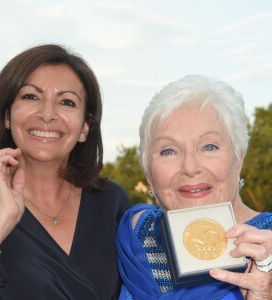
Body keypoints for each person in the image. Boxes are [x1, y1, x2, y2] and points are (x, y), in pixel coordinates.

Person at [0, 44, 131, 299]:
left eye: (66, 102)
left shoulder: (111, 202)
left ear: (84, 128)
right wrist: (0, 222)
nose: (47, 114)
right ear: (6, 116)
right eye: (31, 97)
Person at [116, 75, 272, 299]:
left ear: (239, 159)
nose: (190, 167)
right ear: (148, 172)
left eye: (209, 146)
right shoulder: (134, 235)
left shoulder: (268, 248)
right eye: (168, 151)